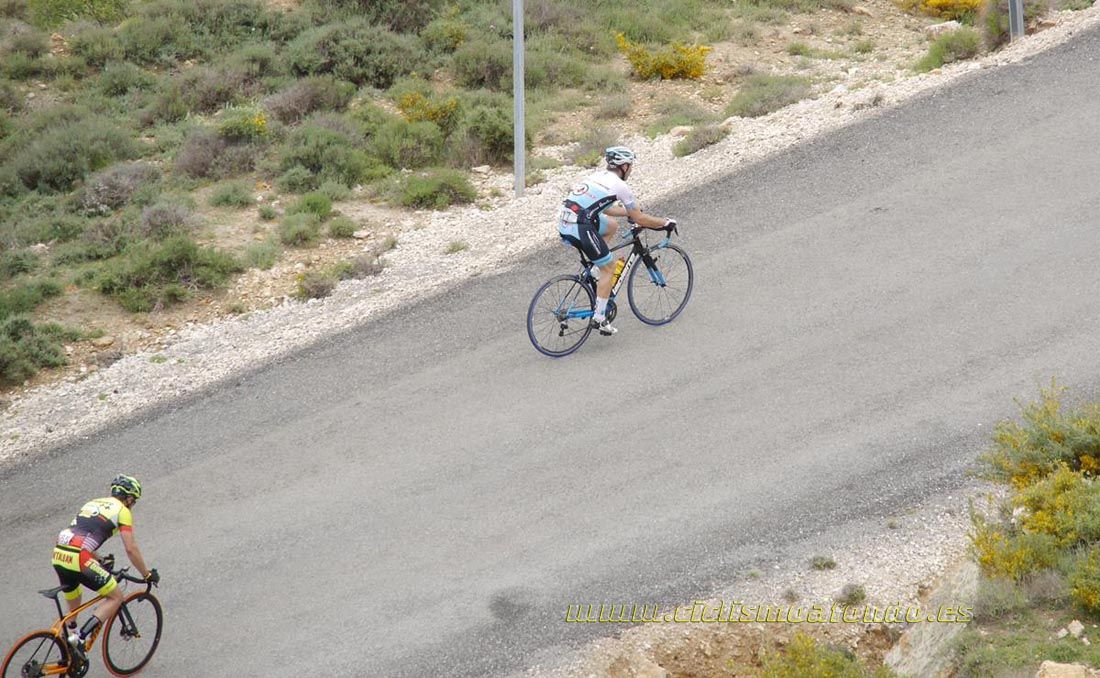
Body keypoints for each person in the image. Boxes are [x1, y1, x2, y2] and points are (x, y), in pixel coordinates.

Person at [557, 146, 677, 335]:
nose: (631, 170)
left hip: (565, 222)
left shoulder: (598, 177)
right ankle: (599, 318)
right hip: (580, 226)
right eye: (631, 166)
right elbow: (640, 220)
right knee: (609, 268)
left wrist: (630, 213)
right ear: (625, 167)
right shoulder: (621, 186)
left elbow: (606, 210)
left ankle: (596, 270)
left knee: (611, 225)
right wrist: (664, 223)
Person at [51, 474, 158, 663]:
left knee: (74, 594)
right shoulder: (123, 511)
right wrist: (147, 574)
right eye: (134, 501)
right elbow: (131, 549)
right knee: (116, 597)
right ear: (129, 498)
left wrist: (98, 559)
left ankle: (70, 641)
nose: (133, 505)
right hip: (79, 557)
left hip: (59, 553)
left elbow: (77, 537)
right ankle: (80, 640)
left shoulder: (92, 503)